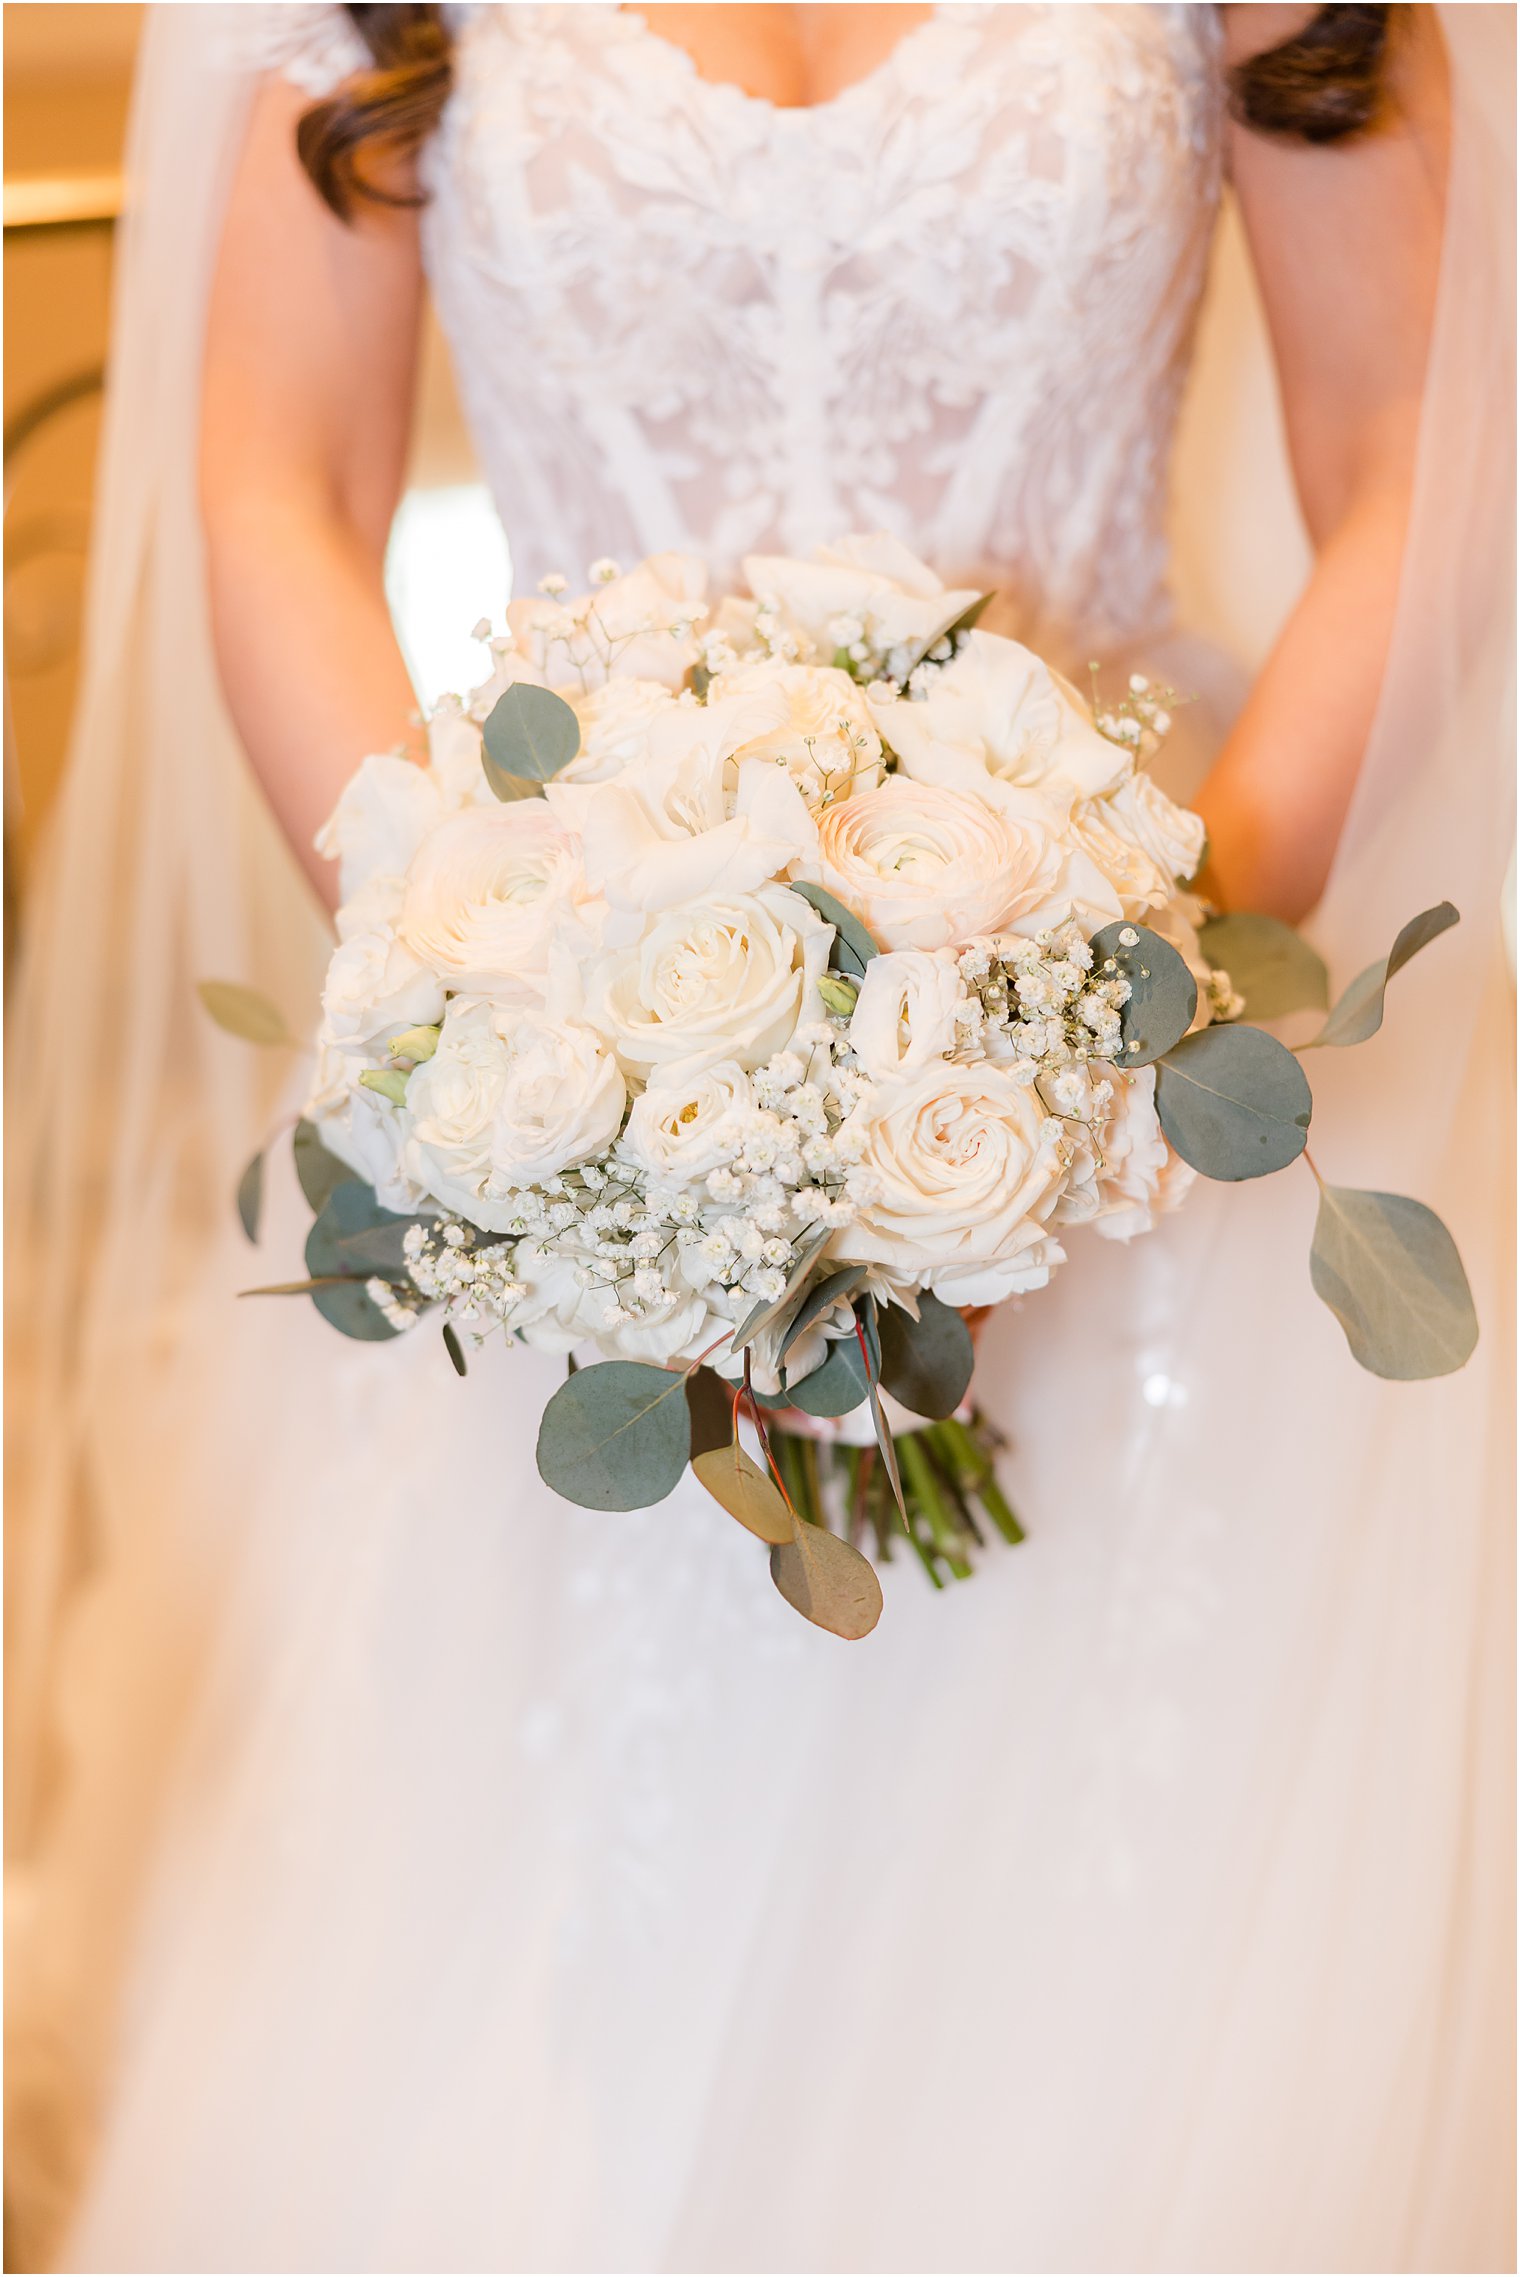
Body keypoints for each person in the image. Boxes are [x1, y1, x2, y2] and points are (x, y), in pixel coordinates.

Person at [6, 6, 1512, 2269]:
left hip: (1148, 1057)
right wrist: (506, 999)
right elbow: (275, 491)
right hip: (575, 1084)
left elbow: (1414, 447)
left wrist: (1107, 1006)